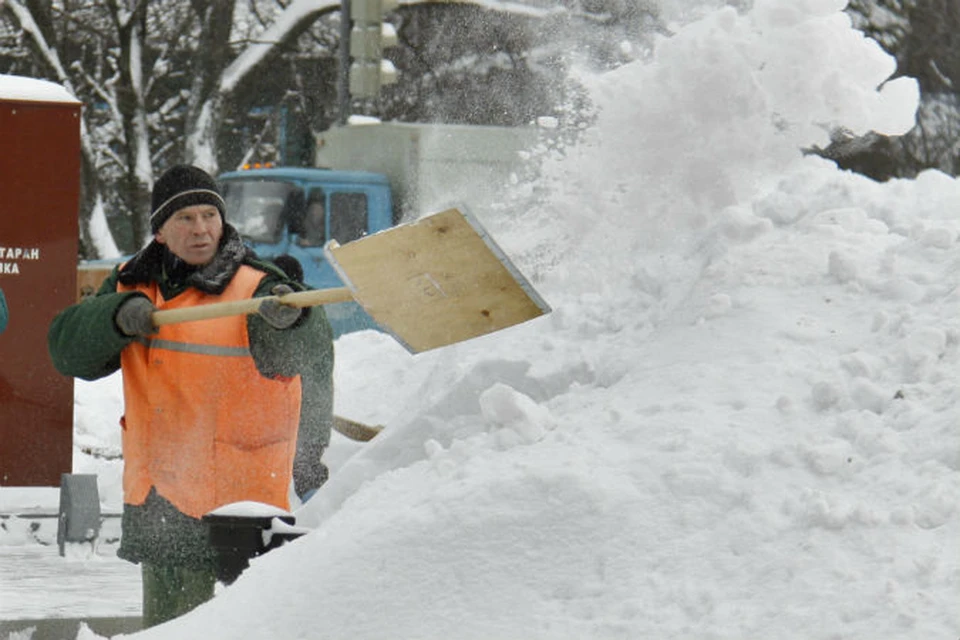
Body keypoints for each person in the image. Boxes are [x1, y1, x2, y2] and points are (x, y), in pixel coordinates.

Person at [47, 165, 334, 627]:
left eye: (209, 215)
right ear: (160, 231)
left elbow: (311, 361)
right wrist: (116, 317)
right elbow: (66, 351)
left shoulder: (257, 285)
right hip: (158, 499)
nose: (201, 229)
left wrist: (292, 323)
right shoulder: (129, 283)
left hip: (237, 512)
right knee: (166, 627)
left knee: (234, 628)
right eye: (185, 218)